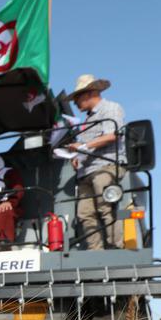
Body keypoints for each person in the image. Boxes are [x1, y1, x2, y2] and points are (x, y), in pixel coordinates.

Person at [65, 74, 126, 250]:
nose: (75, 103)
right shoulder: (87, 120)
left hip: (106, 166)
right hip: (86, 172)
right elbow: (87, 147)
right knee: (84, 213)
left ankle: (117, 247)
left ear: (88, 93)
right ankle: (95, 251)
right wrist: (77, 158)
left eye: (76, 98)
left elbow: (111, 135)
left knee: (106, 207)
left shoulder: (111, 108)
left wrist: (82, 146)